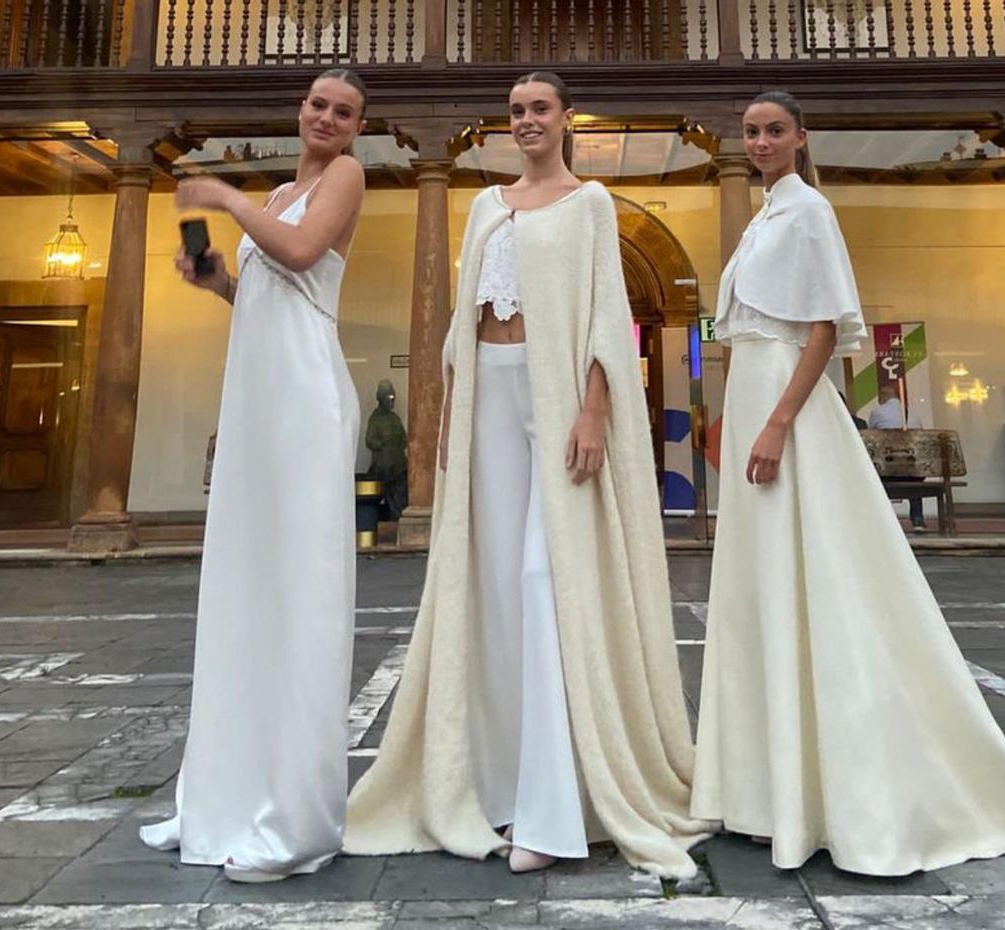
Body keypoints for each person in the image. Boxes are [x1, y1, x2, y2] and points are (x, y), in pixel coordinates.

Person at [690, 90, 1005, 876]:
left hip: (785, 398)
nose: (761, 140)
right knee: (759, 586)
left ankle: (827, 787)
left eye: (775, 129)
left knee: (810, 574)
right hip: (749, 389)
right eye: (751, 131)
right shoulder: (760, 217)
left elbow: (821, 328)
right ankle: (765, 789)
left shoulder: (808, 210)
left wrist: (780, 420)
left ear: (800, 137)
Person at [343, 71, 710, 879]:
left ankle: (555, 808)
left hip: (556, 401)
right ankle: (500, 782)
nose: (527, 120)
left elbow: (608, 316)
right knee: (497, 590)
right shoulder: (483, 207)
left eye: (540, 108)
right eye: (516, 111)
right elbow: (459, 321)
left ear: (566, 119)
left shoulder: (590, 206)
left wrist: (591, 410)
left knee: (551, 580)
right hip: (488, 402)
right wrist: (447, 424)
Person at [139, 68, 367, 883]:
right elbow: (272, 289)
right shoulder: (274, 192)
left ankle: (294, 822)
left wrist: (226, 202)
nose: (327, 118)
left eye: (343, 111)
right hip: (258, 396)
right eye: (317, 105)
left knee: (299, 593)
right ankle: (218, 798)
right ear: (299, 110)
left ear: (355, 126)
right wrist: (218, 283)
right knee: (245, 586)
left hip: (305, 398)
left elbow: (306, 256)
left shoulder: (346, 176)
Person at [868, 383, 926, 531]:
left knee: (878, 472)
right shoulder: (913, 414)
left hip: (888, 473)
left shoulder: (877, 412)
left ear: (882, 398)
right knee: (911, 469)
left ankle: (883, 521)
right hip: (914, 474)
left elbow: (871, 438)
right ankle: (918, 519)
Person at [365, 379, 408, 520]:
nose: (391, 401)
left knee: (401, 498)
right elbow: (369, 441)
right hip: (383, 468)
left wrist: (397, 446)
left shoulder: (395, 418)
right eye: (388, 398)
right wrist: (384, 444)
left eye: (392, 398)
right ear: (381, 399)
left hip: (399, 467)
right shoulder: (375, 419)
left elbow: (404, 439)